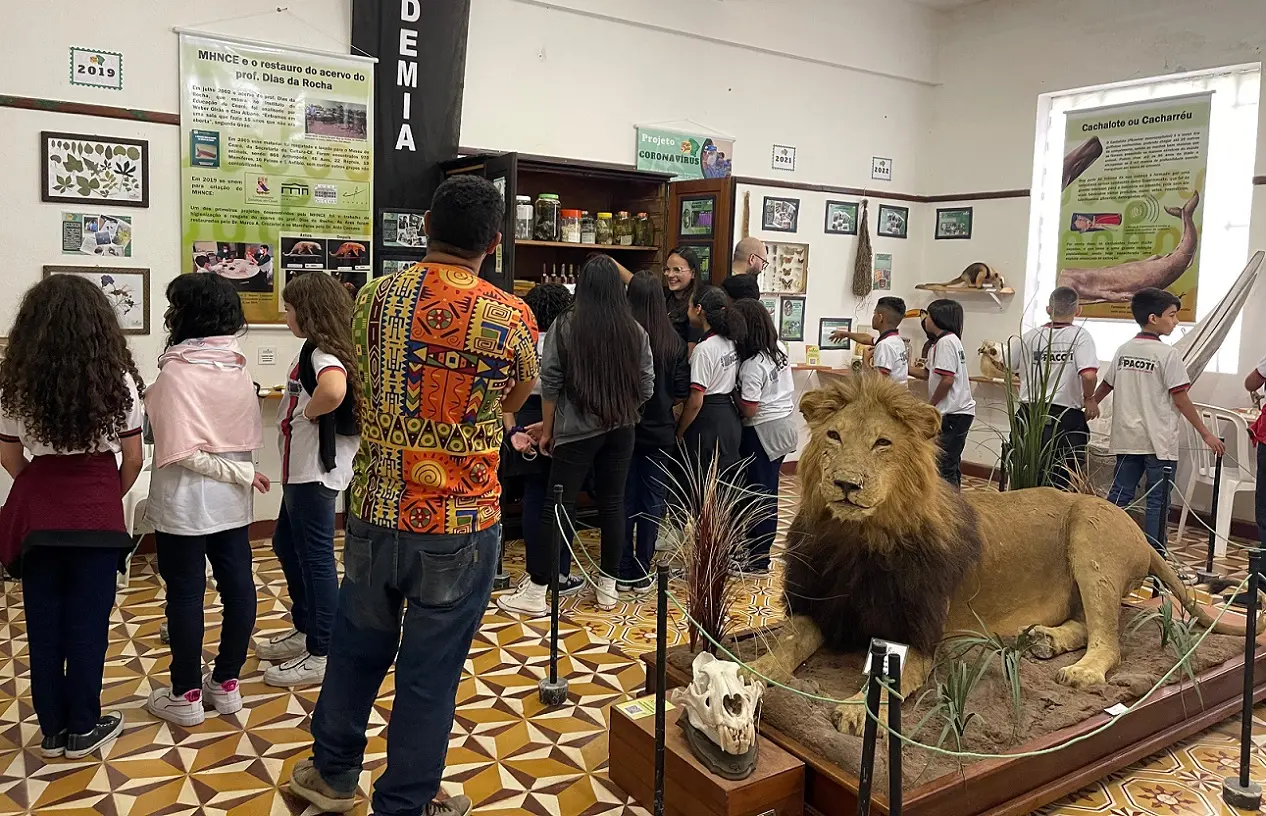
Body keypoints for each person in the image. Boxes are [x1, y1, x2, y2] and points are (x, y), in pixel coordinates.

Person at [286, 175, 539, 816]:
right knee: (431, 672)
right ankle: (405, 803)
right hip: (461, 518)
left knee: (356, 645)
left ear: (425, 225)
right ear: (496, 242)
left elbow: (362, 382)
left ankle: (334, 773)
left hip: (377, 506)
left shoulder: (372, 298)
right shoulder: (512, 317)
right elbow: (515, 400)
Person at [0, 276, 145, 759]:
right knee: (88, 625)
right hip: (98, 515)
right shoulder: (118, 379)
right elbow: (133, 459)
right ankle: (84, 726)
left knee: (43, 627)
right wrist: (103, 495)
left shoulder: (15, 382)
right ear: (98, 324)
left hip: (39, 517)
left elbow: (9, 456)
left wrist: (41, 488)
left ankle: (53, 729)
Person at [144, 274, 268, 727]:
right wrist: (240, 472)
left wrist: (239, 471)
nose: (168, 314)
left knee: (186, 596)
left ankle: (186, 693)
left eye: (174, 307)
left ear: (186, 316)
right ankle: (227, 683)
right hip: (233, 503)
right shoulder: (237, 366)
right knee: (238, 589)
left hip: (185, 504)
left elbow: (182, 449)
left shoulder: (176, 371)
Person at [499, 255, 654, 615]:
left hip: (575, 433)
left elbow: (550, 385)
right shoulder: (634, 329)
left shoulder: (565, 326)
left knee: (558, 506)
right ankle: (608, 589)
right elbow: (647, 385)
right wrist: (621, 410)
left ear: (581, 286)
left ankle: (538, 589)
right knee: (613, 504)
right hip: (622, 429)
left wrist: (548, 430)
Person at [256, 272, 360, 688]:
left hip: (314, 472)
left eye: (291, 308)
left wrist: (311, 412)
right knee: (285, 543)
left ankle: (324, 648)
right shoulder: (319, 348)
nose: (286, 316)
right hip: (300, 471)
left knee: (315, 557)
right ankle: (306, 628)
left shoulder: (323, 353)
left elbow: (333, 390)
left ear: (309, 311)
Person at [1093, 288, 1224, 553]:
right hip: (1159, 443)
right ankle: (1157, 558)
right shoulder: (1168, 355)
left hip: (1127, 439)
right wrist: (1205, 433)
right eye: (1172, 316)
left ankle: (1106, 549)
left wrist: (1092, 402)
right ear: (1153, 318)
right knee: (1158, 502)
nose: (1175, 322)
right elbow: (1181, 398)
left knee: (1120, 496)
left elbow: (1106, 385)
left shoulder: (1124, 349)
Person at [498, 283, 584, 597]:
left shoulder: (522, 341)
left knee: (534, 496)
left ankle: (535, 574)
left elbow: (505, 392)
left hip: (521, 417)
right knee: (563, 498)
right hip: (560, 420)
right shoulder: (570, 341)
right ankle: (559, 571)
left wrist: (513, 430)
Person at [619, 271, 690, 593]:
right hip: (660, 430)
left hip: (624, 429)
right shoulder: (673, 339)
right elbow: (680, 391)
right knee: (652, 501)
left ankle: (621, 566)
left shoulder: (621, 335)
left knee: (622, 498)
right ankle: (643, 566)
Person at [1006, 286, 1099, 490]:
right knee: (1059, 480)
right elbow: (1089, 374)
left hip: (1028, 416)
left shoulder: (1029, 336)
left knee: (1026, 476)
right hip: (1063, 418)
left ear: (1049, 309)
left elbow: (1008, 366)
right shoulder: (1080, 337)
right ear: (1078, 311)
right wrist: (1089, 398)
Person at [732, 299, 797, 575]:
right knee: (769, 490)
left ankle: (758, 559)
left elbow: (749, 408)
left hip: (762, 431)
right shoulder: (778, 348)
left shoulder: (752, 366)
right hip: (783, 426)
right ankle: (757, 551)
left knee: (760, 495)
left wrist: (730, 394)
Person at [677, 285, 745, 481]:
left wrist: (681, 430)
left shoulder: (704, 349)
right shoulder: (730, 340)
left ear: (698, 309)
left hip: (708, 420)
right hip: (729, 418)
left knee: (702, 482)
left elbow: (696, 399)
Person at [911, 299, 975, 487]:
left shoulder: (946, 342)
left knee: (944, 467)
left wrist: (931, 406)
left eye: (928, 316)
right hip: (956, 413)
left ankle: (950, 511)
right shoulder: (944, 342)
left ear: (938, 318)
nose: (925, 320)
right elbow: (927, 374)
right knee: (950, 465)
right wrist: (902, 367)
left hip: (953, 414)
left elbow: (947, 379)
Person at [832, 297, 909, 384]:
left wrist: (865, 361)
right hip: (901, 394)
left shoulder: (884, 345)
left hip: (890, 397)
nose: (873, 317)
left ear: (880, 318)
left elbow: (879, 383)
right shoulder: (896, 340)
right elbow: (866, 338)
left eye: (874, 313)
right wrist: (846, 334)